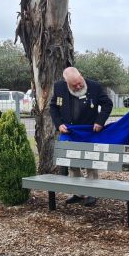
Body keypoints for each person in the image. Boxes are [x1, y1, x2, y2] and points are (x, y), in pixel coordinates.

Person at [49, 66, 113, 206]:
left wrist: (100, 121)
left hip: (89, 130)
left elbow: (108, 104)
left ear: (81, 76)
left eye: (80, 83)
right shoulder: (59, 87)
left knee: (90, 162)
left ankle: (92, 193)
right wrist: (59, 124)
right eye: (74, 85)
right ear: (66, 82)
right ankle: (77, 193)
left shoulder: (94, 87)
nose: (78, 86)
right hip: (70, 131)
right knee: (72, 164)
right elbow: (53, 107)